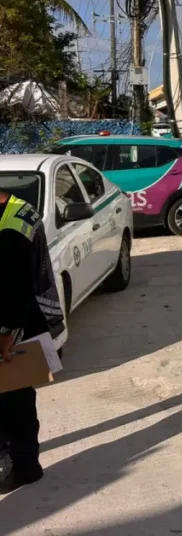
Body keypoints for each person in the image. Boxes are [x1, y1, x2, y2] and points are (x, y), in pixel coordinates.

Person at [0, 190, 63, 495]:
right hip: (21, 320)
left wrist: (5, 333)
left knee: (15, 403)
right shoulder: (20, 208)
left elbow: (15, 286)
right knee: (15, 400)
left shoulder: (10, 228)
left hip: (12, 331)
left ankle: (25, 469)